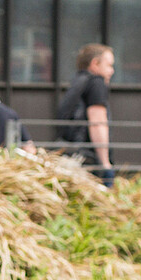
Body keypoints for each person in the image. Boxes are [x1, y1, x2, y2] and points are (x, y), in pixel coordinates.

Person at [56, 43, 116, 185]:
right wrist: (105, 163)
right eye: (109, 65)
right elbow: (97, 122)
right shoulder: (97, 83)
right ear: (95, 64)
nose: (112, 71)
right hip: (89, 159)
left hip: (72, 155)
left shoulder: (78, 81)